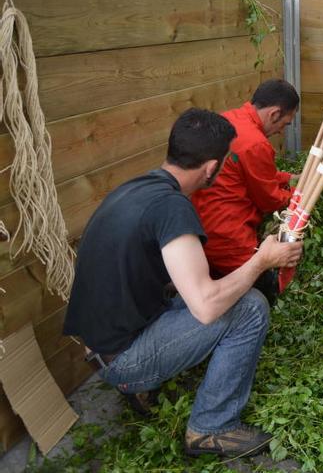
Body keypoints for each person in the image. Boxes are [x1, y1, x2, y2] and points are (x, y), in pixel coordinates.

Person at [63, 108, 304, 458]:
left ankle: (146, 387)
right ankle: (211, 429)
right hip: (121, 359)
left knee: (216, 288)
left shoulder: (138, 187)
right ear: (211, 168)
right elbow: (206, 308)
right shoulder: (173, 208)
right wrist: (262, 261)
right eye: (223, 165)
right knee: (250, 307)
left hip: (99, 343)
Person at [192, 79, 300, 303]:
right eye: (285, 124)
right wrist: (299, 195)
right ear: (274, 114)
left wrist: (289, 178)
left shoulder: (228, 120)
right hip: (228, 235)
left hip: (199, 227)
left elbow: (249, 174)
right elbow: (270, 200)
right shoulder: (256, 143)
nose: (282, 131)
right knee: (263, 288)